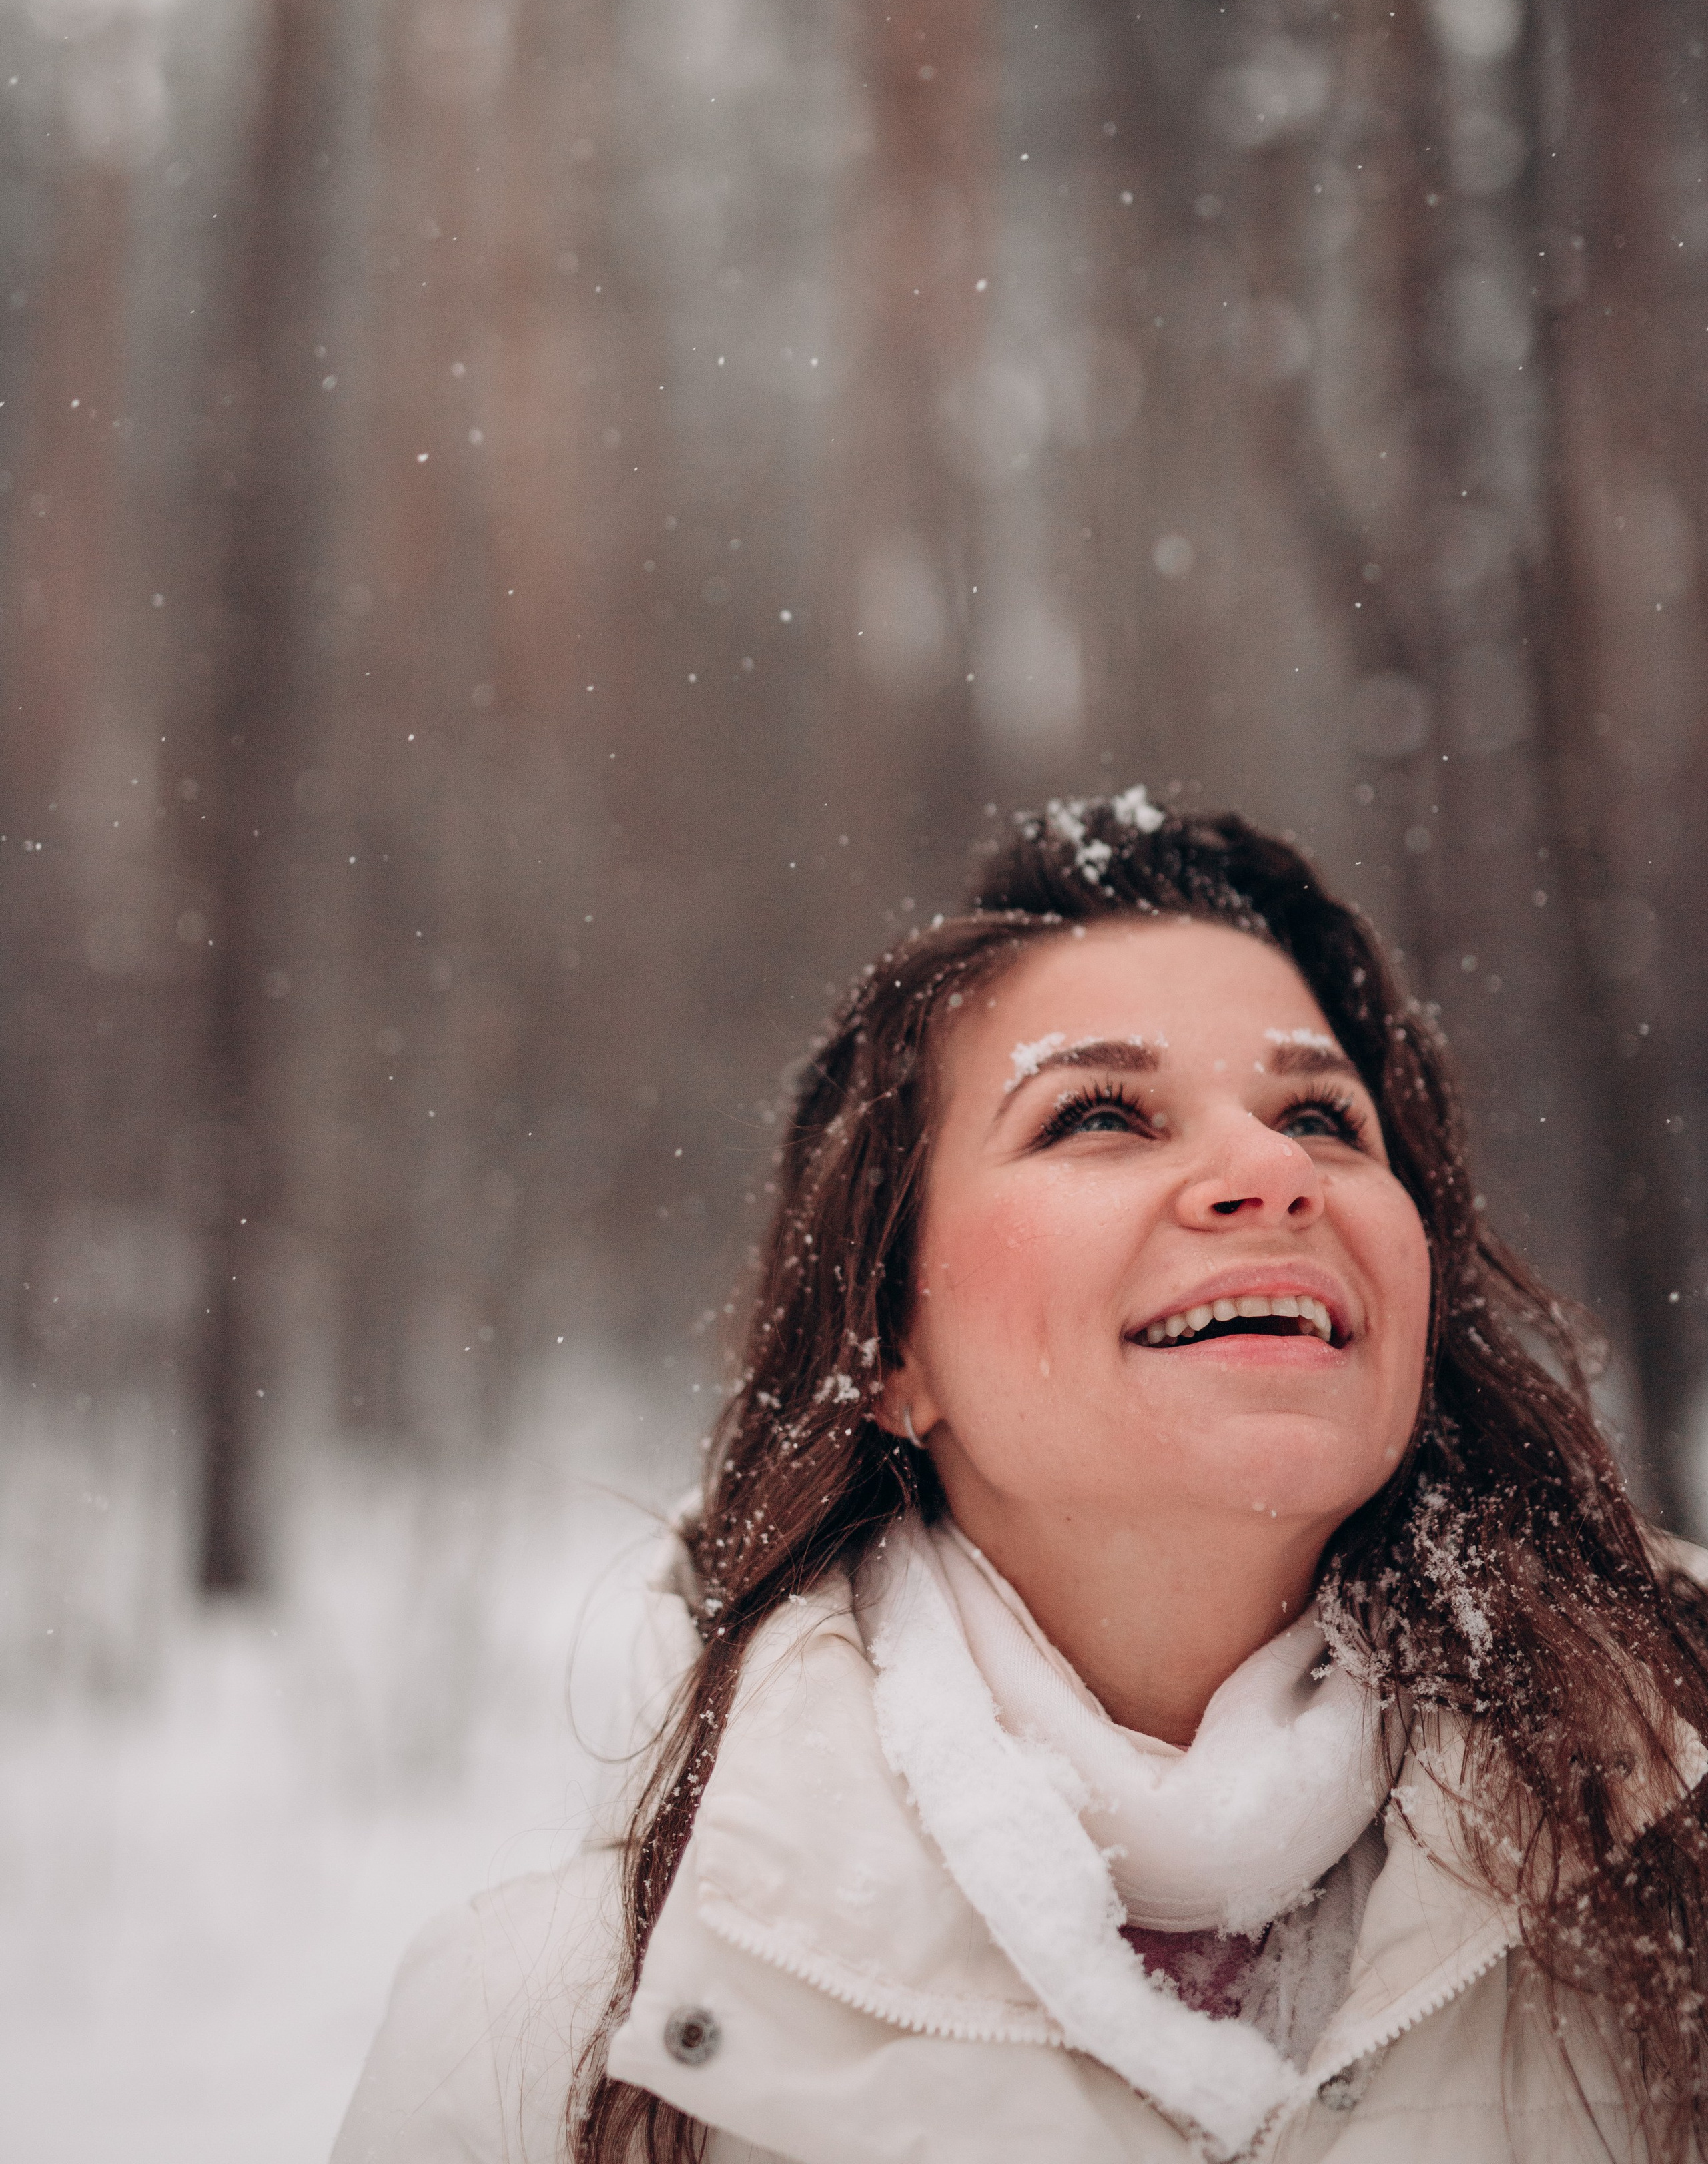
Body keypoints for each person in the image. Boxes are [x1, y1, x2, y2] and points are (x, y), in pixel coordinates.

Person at [332, 790, 1708, 2164]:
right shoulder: (543, 2046)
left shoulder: (1678, 1891)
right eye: (1099, 1114)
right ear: (887, 1345)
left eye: (1322, 1117)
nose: (1271, 1169)